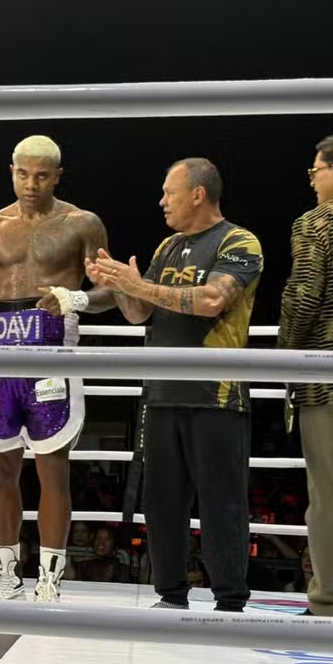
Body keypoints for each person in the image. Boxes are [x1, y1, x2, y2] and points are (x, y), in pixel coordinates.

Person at [89, 157, 262, 612]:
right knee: (162, 502)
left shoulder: (239, 241)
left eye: (170, 192)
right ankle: (170, 595)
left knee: (221, 503)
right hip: (162, 392)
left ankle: (230, 603)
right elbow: (139, 313)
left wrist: (139, 287)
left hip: (215, 395)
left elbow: (212, 300)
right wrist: (118, 284)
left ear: (198, 194)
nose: (162, 201)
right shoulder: (168, 246)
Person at [0, 134, 118, 602]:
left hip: (52, 348)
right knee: (1, 467)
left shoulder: (82, 223)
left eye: (42, 176)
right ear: (11, 171)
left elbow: (113, 290)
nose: (31, 184)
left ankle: (49, 577)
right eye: (24, 174)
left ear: (58, 176)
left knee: (53, 467)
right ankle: (6, 573)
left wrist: (76, 297)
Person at [277, 133, 333, 616]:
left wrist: (285, 357)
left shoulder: (319, 222)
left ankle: (329, 601)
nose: (313, 181)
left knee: (330, 493)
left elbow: (304, 296)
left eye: (316, 170)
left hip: (327, 377)